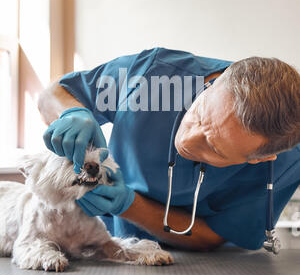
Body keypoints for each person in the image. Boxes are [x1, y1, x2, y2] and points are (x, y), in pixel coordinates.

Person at [38, 47, 300, 251]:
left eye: (214, 148)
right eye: (199, 114)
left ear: (261, 159)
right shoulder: (154, 77)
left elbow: (215, 236)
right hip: (114, 245)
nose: (187, 139)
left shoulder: (283, 163)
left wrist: (128, 205)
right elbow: (53, 94)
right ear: (215, 83)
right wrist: (72, 113)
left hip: (206, 273)